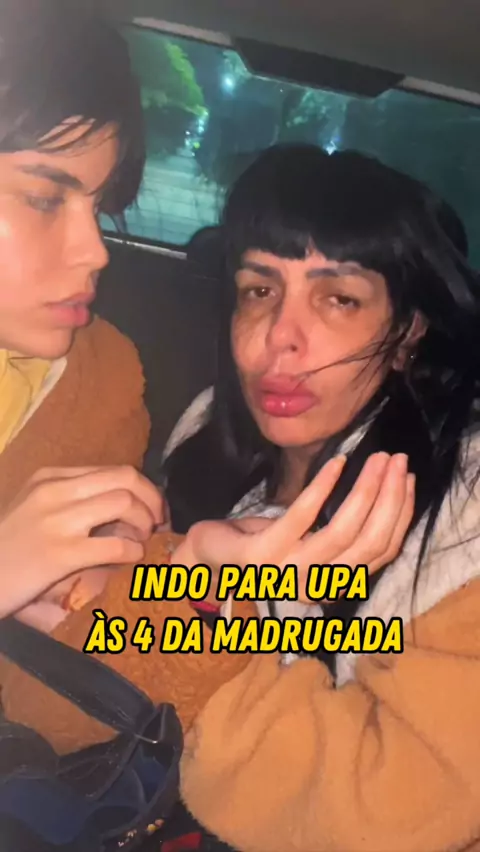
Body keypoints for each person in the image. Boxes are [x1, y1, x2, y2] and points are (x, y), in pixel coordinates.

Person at [159, 145, 480, 852]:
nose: (280, 338)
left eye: (340, 299)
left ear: (408, 332)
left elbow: (394, 806)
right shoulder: (205, 433)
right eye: (259, 290)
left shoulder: (467, 510)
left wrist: (204, 625)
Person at [0, 0, 165, 621]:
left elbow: (98, 627)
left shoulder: (104, 383)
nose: (96, 252)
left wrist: (188, 579)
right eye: (45, 199)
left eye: (100, 207)